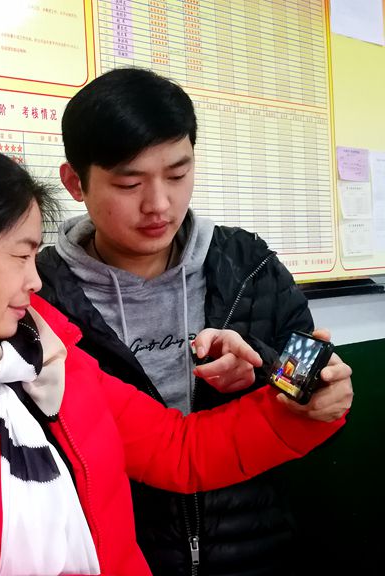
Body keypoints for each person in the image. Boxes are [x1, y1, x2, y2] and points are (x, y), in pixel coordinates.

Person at [0, 145, 350, 576]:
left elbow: (179, 451)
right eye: (20, 256)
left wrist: (295, 412)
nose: (35, 279)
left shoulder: (51, 357)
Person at [35, 66, 354, 575]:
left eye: (178, 175)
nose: (159, 204)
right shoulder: (38, 297)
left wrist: (280, 375)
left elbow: (306, 394)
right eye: (129, 183)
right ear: (75, 182)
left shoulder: (247, 264)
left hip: (256, 550)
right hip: (118, 557)